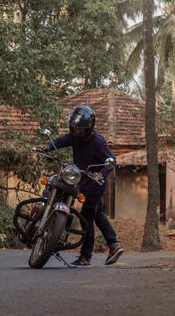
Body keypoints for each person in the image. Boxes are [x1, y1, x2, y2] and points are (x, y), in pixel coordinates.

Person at [38, 105, 124, 267]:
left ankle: (86, 257)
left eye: (80, 129)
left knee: (87, 219)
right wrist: (48, 146)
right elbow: (62, 141)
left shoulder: (97, 141)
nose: (76, 131)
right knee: (96, 215)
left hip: (94, 185)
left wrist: (101, 174)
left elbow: (111, 161)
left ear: (89, 127)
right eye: (74, 128)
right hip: (80, 179)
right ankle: (113, 245)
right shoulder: (75, 136)